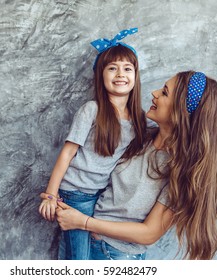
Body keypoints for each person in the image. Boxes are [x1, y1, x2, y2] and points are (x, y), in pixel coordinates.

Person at [52, 71, 217, 260]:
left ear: (180, 112)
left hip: (114, 255)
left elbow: (149, 233)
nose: (154, 93)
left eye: (164, 93)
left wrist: (84, 222)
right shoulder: (141, 136)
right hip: (82, 236)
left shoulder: (180, 169)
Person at [38, 28, 147, 260]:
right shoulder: (92, 110)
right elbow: (67, 154)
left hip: (102, 195)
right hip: (76, 193)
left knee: (82, 253)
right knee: (80, 258)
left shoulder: (138, 117)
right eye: (112, 68)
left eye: (127, 68)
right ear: (101, 75)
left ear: (136, 76)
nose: (120, 74)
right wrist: (50, 194)